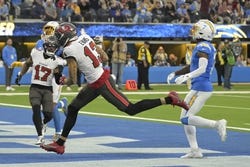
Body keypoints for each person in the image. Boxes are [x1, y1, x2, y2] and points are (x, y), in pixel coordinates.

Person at [40, 22, 189, 154]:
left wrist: (60, 80)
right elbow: (104, 57)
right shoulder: (85, 38)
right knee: (72, 108)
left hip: (102, 83)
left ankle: (170, 99)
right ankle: (60, 144)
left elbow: (72, 80)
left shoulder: (68, 50)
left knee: (131, 109)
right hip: (95, 81)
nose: (57, 38)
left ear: (65, 36)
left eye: (59, 35)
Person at [167, 19, 227, 158]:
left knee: (186, 119)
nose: (193, 31)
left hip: (201, 88)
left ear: (203, 32)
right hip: (197, 87)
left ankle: (217, 124)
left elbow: (202, 68)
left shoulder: (203, 47)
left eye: (196, 29)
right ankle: (195, 150)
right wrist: (176, 73)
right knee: (184, 118)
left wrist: (186, 77)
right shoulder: (205, 46)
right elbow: (193, 66)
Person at [15, 36, 67, 145]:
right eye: (49, 46)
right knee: (36, 108)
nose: (51, 48)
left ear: (56, 48)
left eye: (53, 47)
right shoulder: (35, 53)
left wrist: (60, 78)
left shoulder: (58, 61)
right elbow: (28, 63)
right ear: (45, 46)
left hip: (48, 89)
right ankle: (40, 135)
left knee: (49, 114)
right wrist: (20, 74)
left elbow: (57, 79)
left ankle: (43, 123)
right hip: (35, 87)